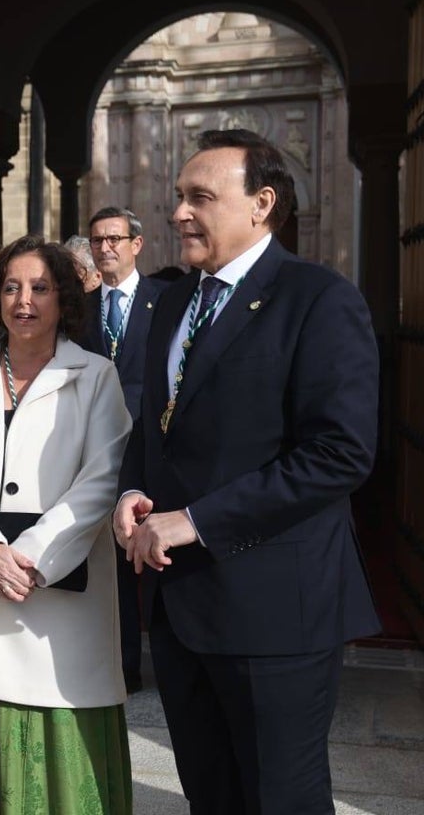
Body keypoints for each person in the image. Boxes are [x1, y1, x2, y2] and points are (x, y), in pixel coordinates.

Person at [114, 128, 380, 814]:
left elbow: (340, 453)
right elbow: (159, 425)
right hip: (180, 610)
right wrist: (135, 489)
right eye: (178, 197)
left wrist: (194, 521)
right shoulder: (173, 300)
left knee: (278, 799)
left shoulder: (318, 298)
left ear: (262, 203)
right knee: (213, 795)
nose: (178, 213)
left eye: (200, 197)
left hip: (274, 610)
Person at [0, 235, 133, 814]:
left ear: (63, 299)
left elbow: (103, 478)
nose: (25, 301)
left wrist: (33, 556)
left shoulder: (96, 376)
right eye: (13, 287)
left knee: (59, 721)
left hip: (61, 591)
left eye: (40, 288)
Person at [76, 206, 166, 694]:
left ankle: (170, 657)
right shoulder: (81, 309)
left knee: (153, 552)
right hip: (97, 446)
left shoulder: (166, 301)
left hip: (154, 445)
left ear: (137, 244)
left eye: (114, 238)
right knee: (110, 562)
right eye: (97, 240)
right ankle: (124, 666)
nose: (105, 247)